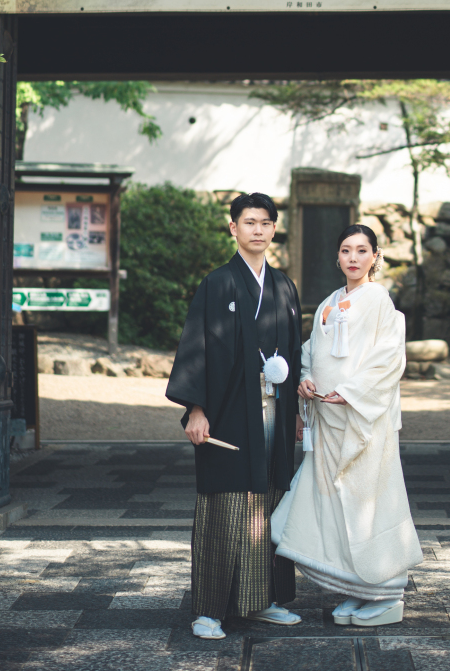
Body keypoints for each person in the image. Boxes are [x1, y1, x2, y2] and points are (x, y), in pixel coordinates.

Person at [166, 192, 303, 640]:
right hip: (227, 413)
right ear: (233, 228)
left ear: (274, 229)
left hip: (274, 410)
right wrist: (196, 409)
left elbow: (294, 352)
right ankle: (209, 610)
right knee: (224, 506)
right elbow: (197, 346)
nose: (257, 230)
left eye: (265, 222)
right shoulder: (218, 283)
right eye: (249, 222)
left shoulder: (283, 286)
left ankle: (262, 600)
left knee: (267, 503)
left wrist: (296, 412)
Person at [271, 223, 422, 628]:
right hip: (328, 420)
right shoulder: (329, 301)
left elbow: (389, 357)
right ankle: (359, 587)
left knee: (370, 502)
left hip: (363, 422)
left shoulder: (379, 300)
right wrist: (305, 379)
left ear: (375, 256)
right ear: (337, 257)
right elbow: (311, 352)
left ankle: (387, 593)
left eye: (361, 250)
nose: (353, 257)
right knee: (336, 504)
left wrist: (353, 391)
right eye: (345, 250)